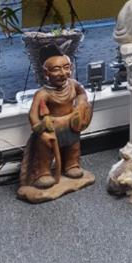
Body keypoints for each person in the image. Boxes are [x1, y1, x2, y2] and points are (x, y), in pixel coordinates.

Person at [19, 54, 92, 191]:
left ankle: (71, 165)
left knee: (73, 148)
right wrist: (42, 133)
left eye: (66, 68)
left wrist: (81, 104)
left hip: (71, 126)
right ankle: (43, 173)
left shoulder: (74, 85)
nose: (63, 73)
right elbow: (33, 116)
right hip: (51, 130)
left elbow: (82, 94)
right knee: (45, 153)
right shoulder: (43, 94)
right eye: (56, 69)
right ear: (46, 72)